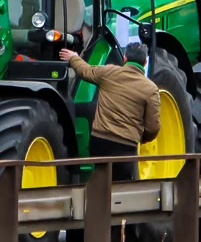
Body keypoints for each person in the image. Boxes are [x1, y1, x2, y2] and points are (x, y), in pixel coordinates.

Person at [59, 43, 161, 181]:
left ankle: (97, 200)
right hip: (126, 146)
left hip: (99, 142)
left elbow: (85, 70)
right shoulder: (151, 89)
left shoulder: (108, 73)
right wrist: (141, 138)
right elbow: (153, 127)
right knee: (120, 185)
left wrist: (74, 58)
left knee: (102, 180)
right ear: (145, 62)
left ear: (125, 58)